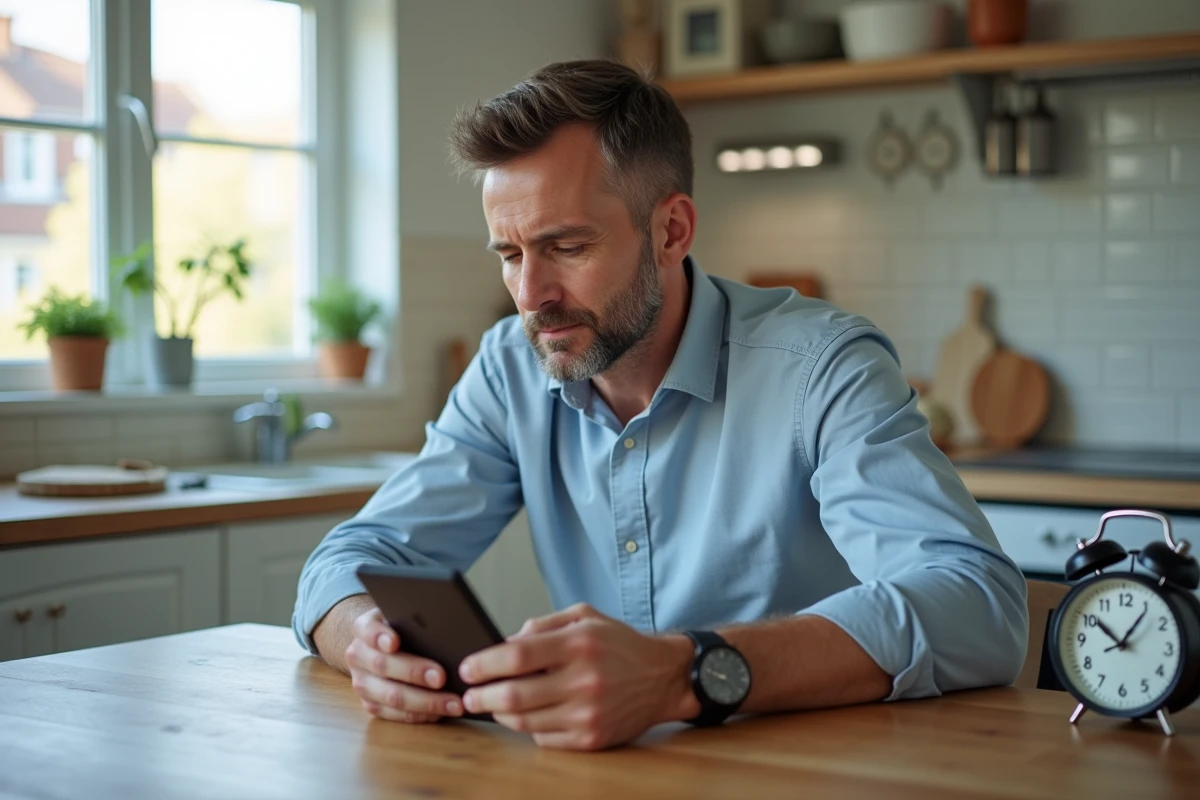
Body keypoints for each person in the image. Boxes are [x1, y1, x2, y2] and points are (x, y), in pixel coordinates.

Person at [293, 59, 1028, 752]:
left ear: (671, 230)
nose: (530, 297)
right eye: (510, 256)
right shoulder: (509, 369)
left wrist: (686, 673)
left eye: (568, 247)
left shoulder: (821, 368)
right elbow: (348, 561)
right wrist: (369, 642)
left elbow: (980, 608)